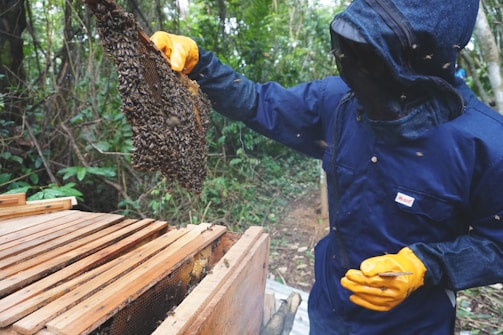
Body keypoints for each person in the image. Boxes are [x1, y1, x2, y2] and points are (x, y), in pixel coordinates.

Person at [150, 0, 503, 334]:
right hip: (330, 311)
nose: (365, 72)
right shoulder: (337, 100)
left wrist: (426, 264)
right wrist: (202, 66)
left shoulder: (486, 144)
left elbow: (498, 247)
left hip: (412, 325)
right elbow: (259, 103)